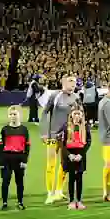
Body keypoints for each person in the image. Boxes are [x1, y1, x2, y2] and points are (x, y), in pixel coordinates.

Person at [41, 75, 79, 205]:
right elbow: (45, 112)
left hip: (67, 136)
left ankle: (59, 190)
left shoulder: (76, 98)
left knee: (65, 164)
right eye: (70, 81)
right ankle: (50, 193)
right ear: (63, 82)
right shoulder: (55, 96)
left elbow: (79, 117)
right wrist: (44, 132)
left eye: (75, 82)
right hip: (53, 135)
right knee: (51, 164)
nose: (73, 84)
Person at [0, 105, 29, 210]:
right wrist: (1, 162)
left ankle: (20, 202)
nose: (13, 116)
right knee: (5, 180)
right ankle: (5, 202)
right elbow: (0, 146)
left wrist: (25, 160)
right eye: (10, 114)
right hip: (7, 158)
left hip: (19, 158)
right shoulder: (4, 129)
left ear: (19, 115)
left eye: (15, 114)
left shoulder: (24, 130)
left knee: (19, 181)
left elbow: (27, 146)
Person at [59, 109, 91, 210]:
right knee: (72, 178)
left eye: (79, 114)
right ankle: (72, 201)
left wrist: (81, 154)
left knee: (79, 178)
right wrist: (69, 155)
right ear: (71, 115)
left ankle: (79, 200)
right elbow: (62, 144)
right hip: (70, 156)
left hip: (80, 155)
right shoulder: (66, 127)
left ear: (81, 115)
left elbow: (88, 142)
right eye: (75, 114)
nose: (77, 116)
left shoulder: (85, 127)